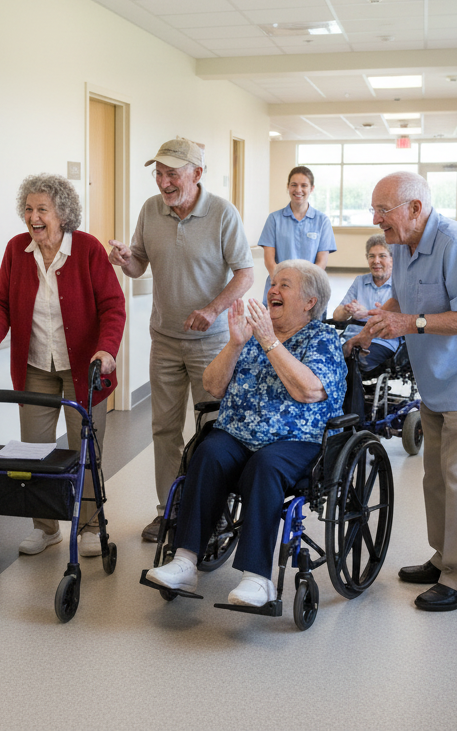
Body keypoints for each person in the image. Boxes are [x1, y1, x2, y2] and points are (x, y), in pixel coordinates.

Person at [346, 171, 457, 612]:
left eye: (384, 210)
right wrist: (372, 327)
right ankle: (444, 559)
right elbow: (403, 299)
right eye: (375, 209)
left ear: (416, 208)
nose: (376, 218)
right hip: (436, 380)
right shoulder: (403, 247)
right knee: (437, 479)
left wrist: (412, 324)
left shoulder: (456, 243)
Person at [144, 261, 346, 606]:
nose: (273, 290)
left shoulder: (322, 338)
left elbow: (309, 391)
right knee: (207, 452)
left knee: (265, 466)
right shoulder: (252, 335)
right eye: (272, 283)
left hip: (297, 439)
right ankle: (184, 561)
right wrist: (236, 343)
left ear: (310, 301)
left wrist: (269, 341)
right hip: (237, 432)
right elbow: (212, 386)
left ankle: (257, 579)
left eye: (285, 285)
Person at [108, 137, 254, 542]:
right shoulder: (150, 211)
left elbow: (245, 273)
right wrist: (125, 260)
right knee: (165, 431)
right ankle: (168, 510)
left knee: (214, 431)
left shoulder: (223, 214)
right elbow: (138, 264)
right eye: (158, 173)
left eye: (172, 173)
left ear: (196, 174)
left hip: (212, 342)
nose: (163, 182)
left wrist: (213, 309)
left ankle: (217, 514)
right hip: (165, 340)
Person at [0, 173, 126, 558]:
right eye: (28, 209)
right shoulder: (16, 250)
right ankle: (46, 526)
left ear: (63, 214)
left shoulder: (87, 250)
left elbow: (113, 306)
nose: (33, 217)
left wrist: (106, 350)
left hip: (84, 368)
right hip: (37, 365)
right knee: (35, 449)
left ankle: (90, 525)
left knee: (85, 448)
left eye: (43, 209)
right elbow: (0, 304)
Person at [257, 166, 336, 301]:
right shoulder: (274, 219)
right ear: (288, 187)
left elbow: (321, 262)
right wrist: (283, 286)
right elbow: (269, 261)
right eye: (294, 185)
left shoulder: (322, 221)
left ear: (311, 189)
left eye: (304, 185)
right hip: (279, 290)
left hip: (310, 290)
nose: (298, 190)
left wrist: (303, 288)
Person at [332, 233, 400, 374]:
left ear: (392, 259)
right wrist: (347, 310)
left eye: (382, 256)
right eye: (371, 256)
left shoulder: (400, 284)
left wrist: (367, 312)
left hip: (382, 340)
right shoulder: (360, 281)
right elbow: (336, 315)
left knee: (353, 360)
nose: (376, 261)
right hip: (351, 335)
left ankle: (351, 397)